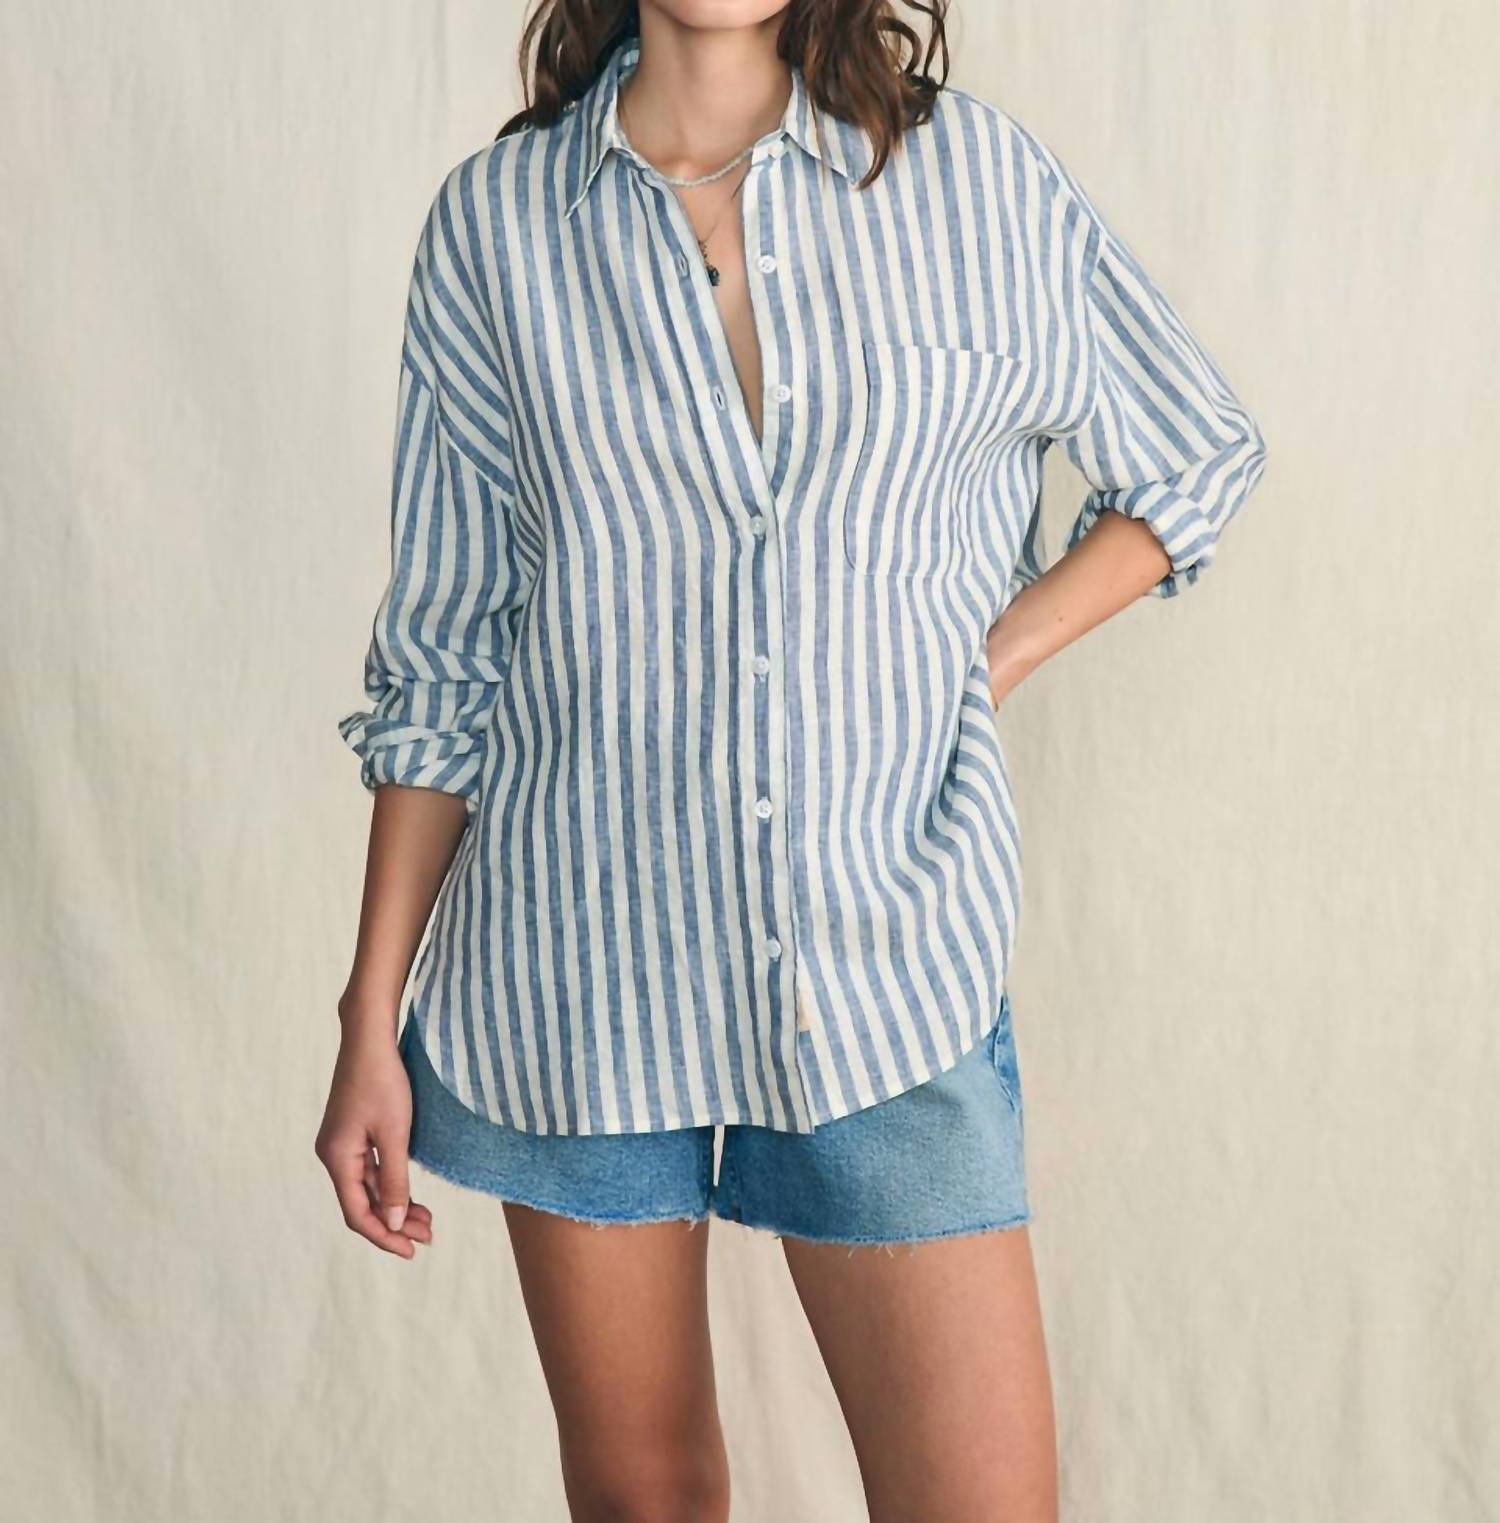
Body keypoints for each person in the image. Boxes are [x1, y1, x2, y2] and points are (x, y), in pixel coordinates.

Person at [316, 2, 1268, 1518]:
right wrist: (371, 1013)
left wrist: (983, 663)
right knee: (644, 1500)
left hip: (884, 959)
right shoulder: (499, 228)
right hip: (578, 964)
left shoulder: (973, 183)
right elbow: (446, 651)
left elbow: (1196, 449)